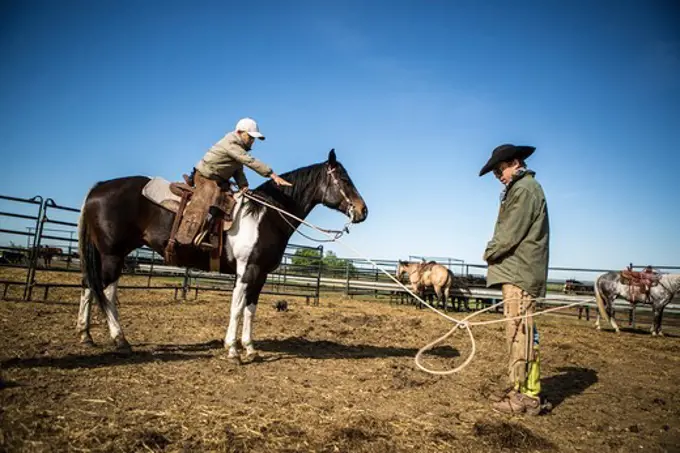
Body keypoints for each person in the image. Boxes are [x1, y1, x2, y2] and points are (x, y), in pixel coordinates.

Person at [479, 143, 551, 415]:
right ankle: (524, 389)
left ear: (516, 163)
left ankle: (526, 396)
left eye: (500, 169)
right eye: (496, 172)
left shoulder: (523, 190)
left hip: (519, 271)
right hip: (519, 270)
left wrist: (490, 252)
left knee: (520, 333)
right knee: (522, 331)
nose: (499, 176)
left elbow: (509, 233)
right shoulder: (524, 189)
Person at [175, 117, 292, 248]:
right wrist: (272, 174)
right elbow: (248, 161)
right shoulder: (231, 143)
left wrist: (243, 184)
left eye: (254, 139)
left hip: (220, 180)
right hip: (205, 176)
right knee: (209, 196)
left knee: (230, 202)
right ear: (239, 132)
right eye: (250, 137)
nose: (252, 141)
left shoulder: (239, 148)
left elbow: (238, 169)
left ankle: (214, 232)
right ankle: (189, 234)